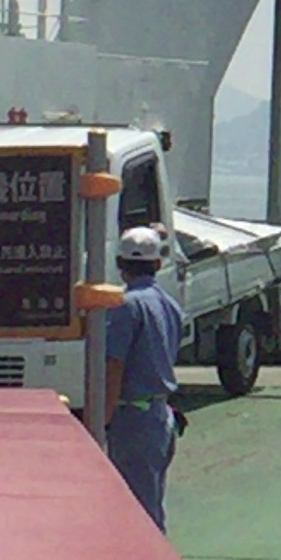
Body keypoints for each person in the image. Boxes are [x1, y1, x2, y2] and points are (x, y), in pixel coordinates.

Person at [104, 225, 185, 529]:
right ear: (158, 262)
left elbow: (113, 365)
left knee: (136, 516)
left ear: (120, 265)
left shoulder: (125, 306)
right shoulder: (170, 305)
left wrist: (103, 420)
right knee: (151, 506)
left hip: (132, 418)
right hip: (160, 416)